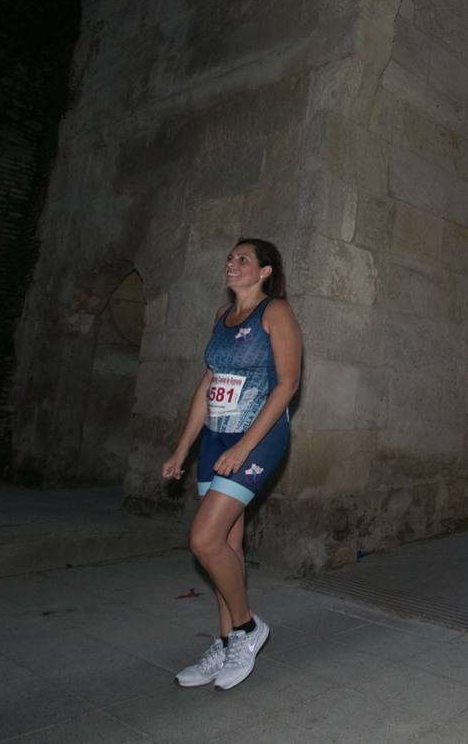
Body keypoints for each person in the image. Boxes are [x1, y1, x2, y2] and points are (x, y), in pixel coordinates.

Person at [160, 238, 302, 690]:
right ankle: (224, 643)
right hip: (217, 437)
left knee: (203, 540)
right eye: (229, 257)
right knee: (226, 545)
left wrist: (244, 447)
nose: (232, 263)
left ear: (264, 271)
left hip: (257, 438)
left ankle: (245, 628)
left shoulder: (274, 313)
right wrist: (183, 449)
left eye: (243, 259)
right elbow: (207, 388)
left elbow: (288, 384)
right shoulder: (221, 319)